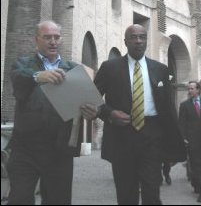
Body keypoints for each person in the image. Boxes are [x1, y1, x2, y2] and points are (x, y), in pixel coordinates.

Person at [81, 24, 186, 205]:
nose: (138, 41)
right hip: (122, 137)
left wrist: (175, 139)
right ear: (126, 42)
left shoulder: (160, 69)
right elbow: (91, 98)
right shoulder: (110, 67)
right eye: (133, 37)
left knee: (152, 192)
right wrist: (109, 113)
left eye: (142, 37)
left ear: (146, 41)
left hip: (152, 137)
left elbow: (168, 109)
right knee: (126, 194)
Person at [6, 20, 85, 205]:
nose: (53, 41)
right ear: (37, 40)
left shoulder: (72, 69)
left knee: (58, 200)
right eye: (47, 37)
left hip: (59, 150)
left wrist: (91, 111)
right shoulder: (23, 64)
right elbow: (18, 79)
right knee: (20, 198)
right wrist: (37, 76)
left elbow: (86, 102)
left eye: (56, 37)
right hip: (25, 148)